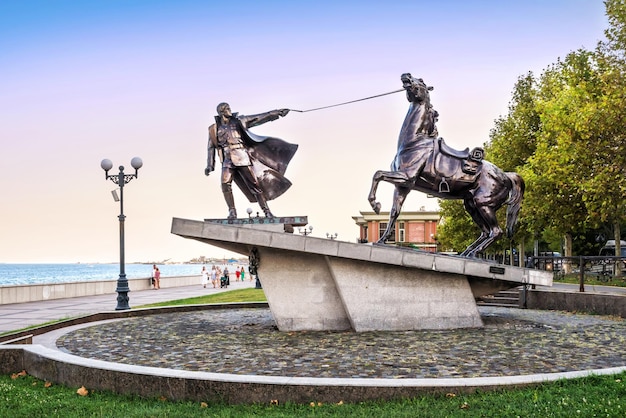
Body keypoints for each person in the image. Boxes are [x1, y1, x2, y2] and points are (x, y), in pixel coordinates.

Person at [205, 102, 298, 219]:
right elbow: (211, 147)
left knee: (254, 186)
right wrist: (210, 165)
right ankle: (232, 211)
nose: (230, 110)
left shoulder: (239, 121)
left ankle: (267, 211)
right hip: (227, 160)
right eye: (227, 108)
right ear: (222, 111)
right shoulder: (213, 129)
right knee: (225, 184)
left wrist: (277, 113)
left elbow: (258, 117)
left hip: (242, 157)